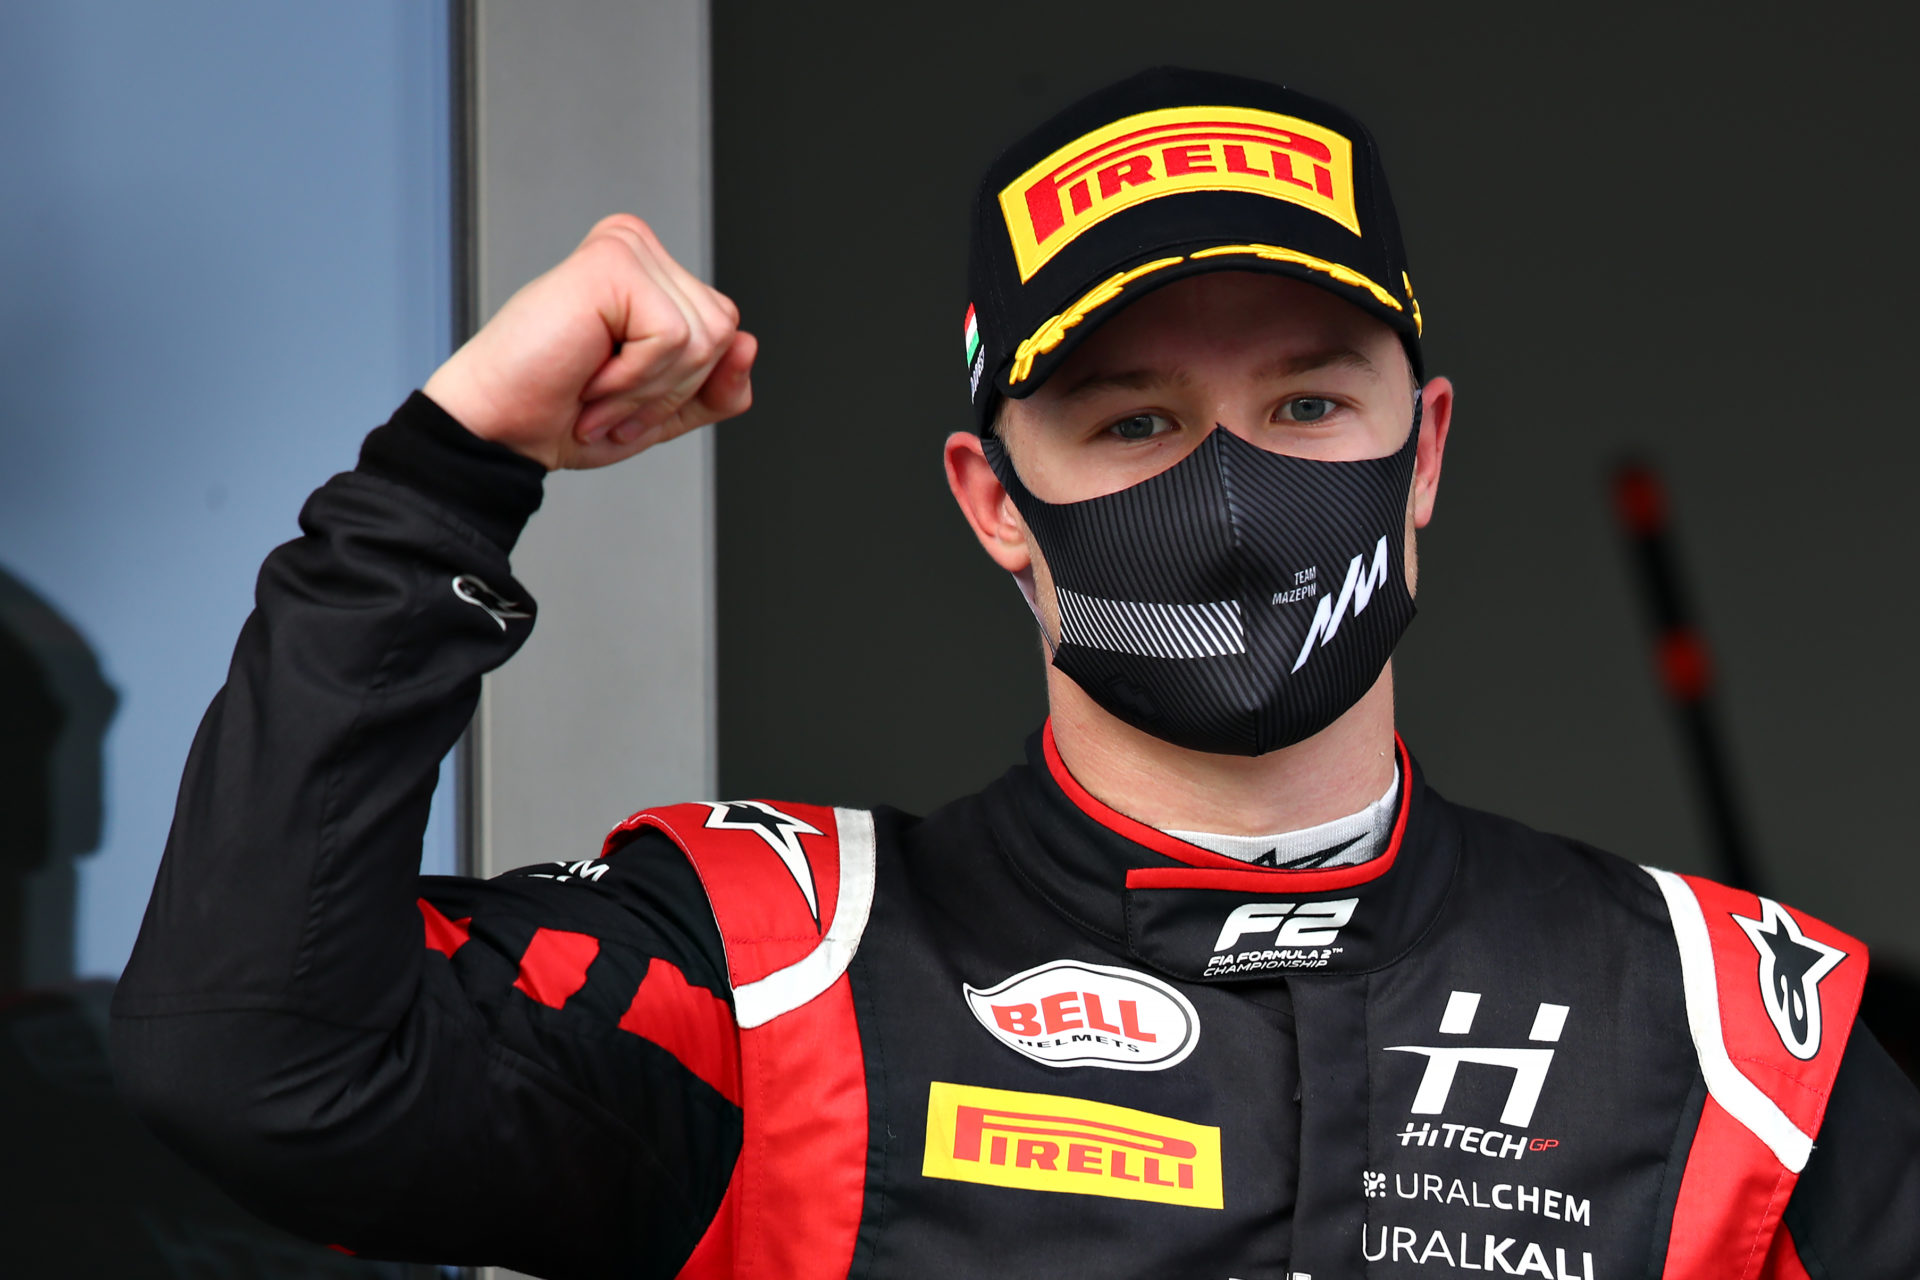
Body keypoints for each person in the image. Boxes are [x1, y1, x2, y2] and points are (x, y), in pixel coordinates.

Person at [111, 67, 1918, 1280]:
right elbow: (254, 1060)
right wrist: (450, 472)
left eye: (1305, 402)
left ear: (1424, 450)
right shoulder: (773, 972)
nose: (1229, 495)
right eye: (1133, 419)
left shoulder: (1740, 1039)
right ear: (992, 498)